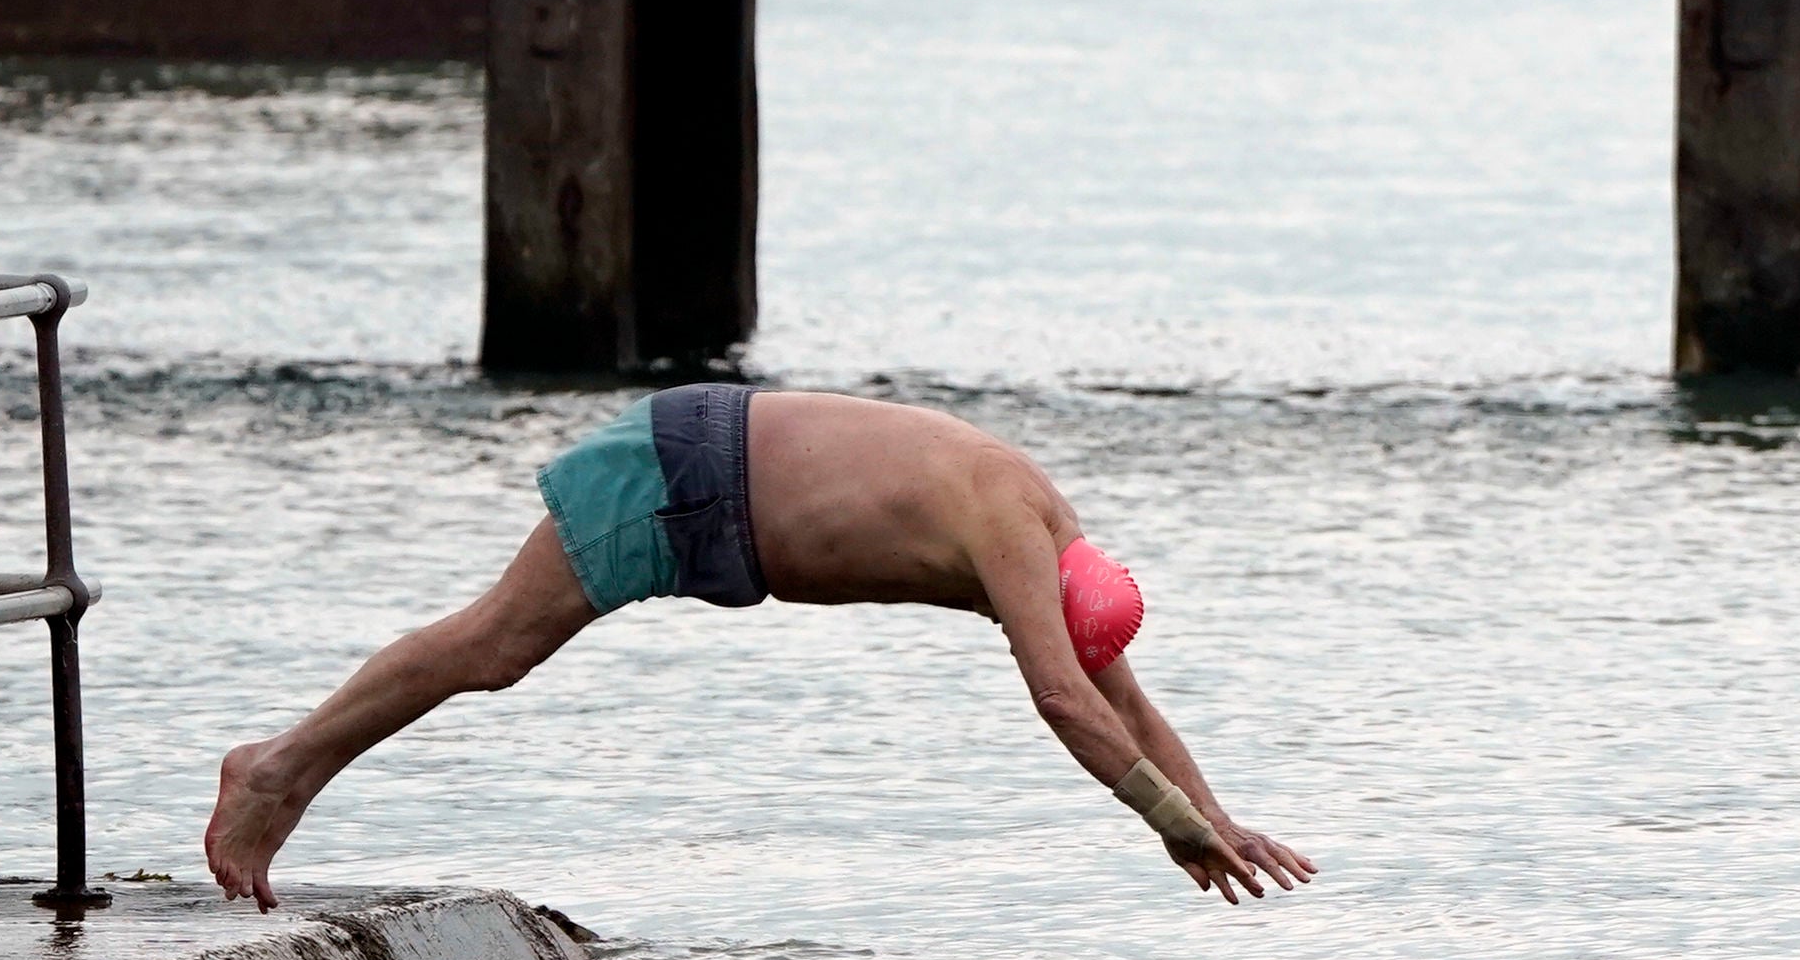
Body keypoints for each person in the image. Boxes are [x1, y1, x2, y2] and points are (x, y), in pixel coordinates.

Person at [204, 386, 1314, 912]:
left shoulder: (1053, 548)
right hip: (683, 475)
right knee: (495, 646)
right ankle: (279, 768)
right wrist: (1168, 829)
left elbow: (1119, 698)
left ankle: (287, 765)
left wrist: (1217, 818)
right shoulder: (1014, 530)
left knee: (496, 649)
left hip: (720, 510)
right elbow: (1068, 705)